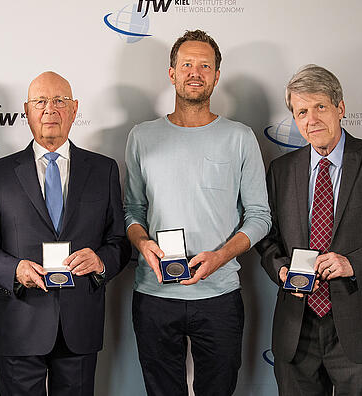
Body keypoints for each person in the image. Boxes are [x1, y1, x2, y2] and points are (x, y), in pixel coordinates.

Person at [256, 64, 362, 395]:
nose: (312, 119)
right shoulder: (281, 170)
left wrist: (353, 263)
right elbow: (268, 238)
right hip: (296, 326)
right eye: (301, 111)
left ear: (340, 108)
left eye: (320, 106)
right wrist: (281, 270)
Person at [123, 30, 271, 396]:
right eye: (187, 64)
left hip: (220, 296)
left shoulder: (239, 137)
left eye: (205, 65)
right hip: (155, 292)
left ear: (217, 76)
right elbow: (132, 209)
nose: (195, 72)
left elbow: (259, 215)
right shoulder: (142, 136)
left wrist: (221, 256)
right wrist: (142, 243)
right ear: (171, 73)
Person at [0, 71, 131, 396]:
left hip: (80, 325)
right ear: (26, 111)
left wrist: (101, 261)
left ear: (74, 109)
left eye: (59, 101)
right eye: (40, 101)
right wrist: (14, 270)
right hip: (19, 323)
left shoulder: (104, 170)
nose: (50, 109)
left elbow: (120, 242)